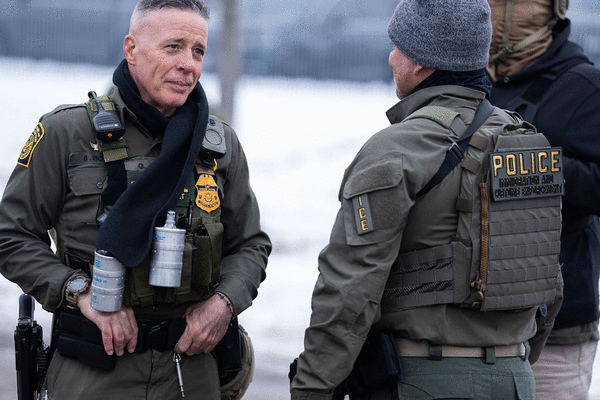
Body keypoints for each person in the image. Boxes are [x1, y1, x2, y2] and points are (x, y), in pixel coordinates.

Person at [289, 0, 564, 399]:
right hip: (515, 379)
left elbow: (350, 287)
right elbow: (549, 281)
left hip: (422, 380)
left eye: (397, 47)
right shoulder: (528, 143)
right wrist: (513, 361)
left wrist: (312, 388)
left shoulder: (397, 149)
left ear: (420, 61)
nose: (391, 58)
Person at [0, 1, 271, 399]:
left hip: (190, 368)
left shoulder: (219, 145)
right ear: (131, 48)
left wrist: (223, 304)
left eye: (198, 51)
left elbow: (250, 245)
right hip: (94, 367)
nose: (188, 64)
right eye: (173, 46)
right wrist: (79, 292)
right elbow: (11, 235)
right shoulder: (67, 132)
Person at [486, 0, 600, 398]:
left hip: (557, 329)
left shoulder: (584, 87)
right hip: (472, 325)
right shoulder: (470, 84)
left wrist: (529, 169)